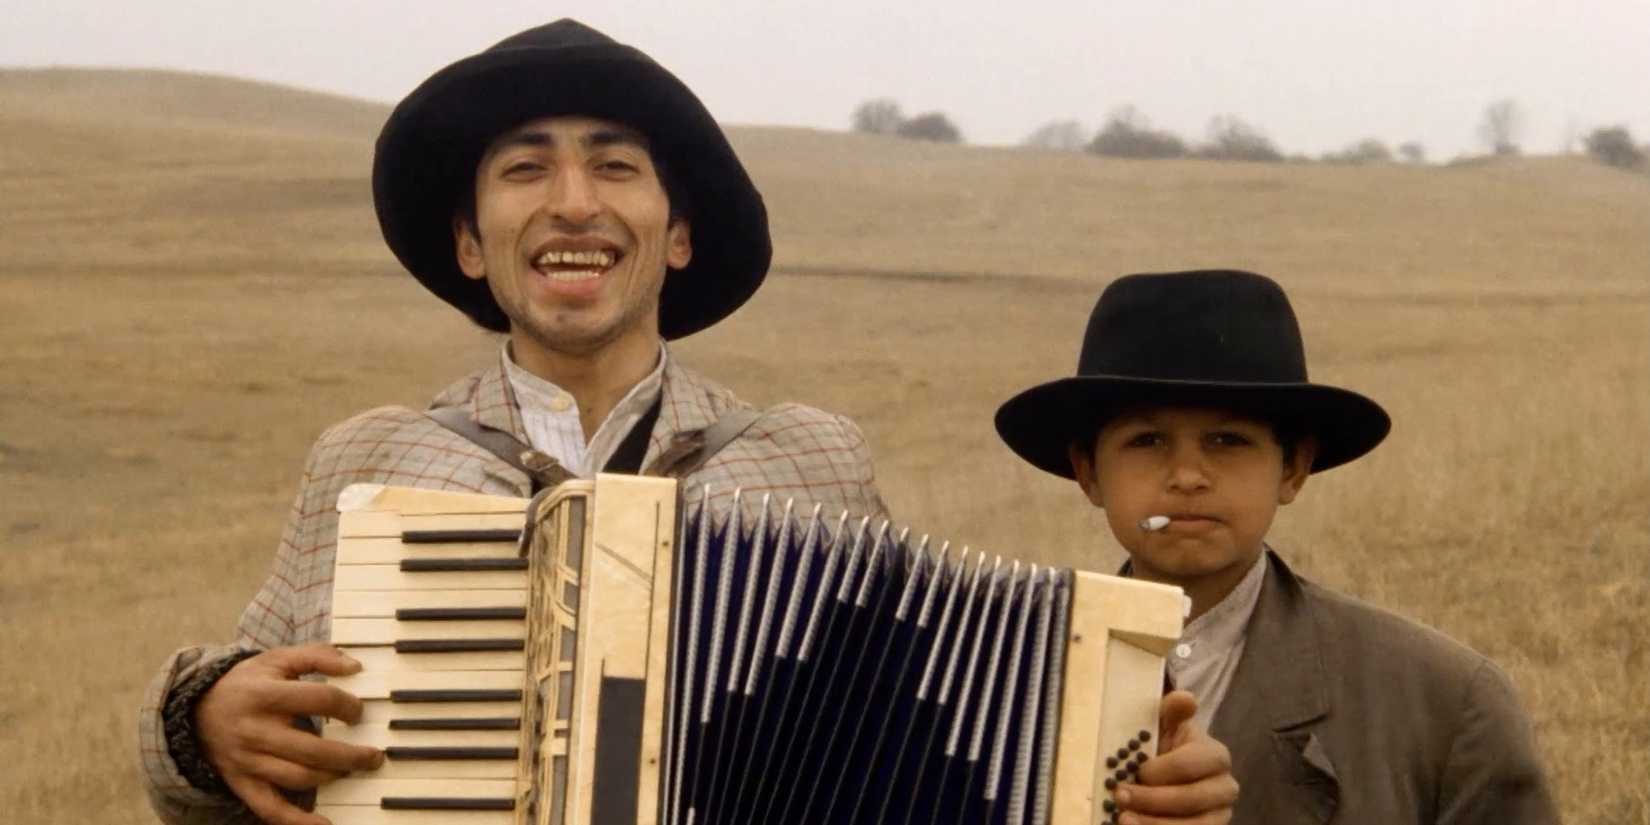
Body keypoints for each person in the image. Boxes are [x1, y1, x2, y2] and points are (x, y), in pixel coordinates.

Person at [137, 20, 1235, 825]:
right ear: (471, 243)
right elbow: (219, 751)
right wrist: (201, 717)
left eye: (616, 165)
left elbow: (923, 739)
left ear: (676, 236)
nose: (574, 201)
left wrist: (1123, 784)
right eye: (526, 168)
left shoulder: (810, 458)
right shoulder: (368, 459)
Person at [994, 269, 1560, 824]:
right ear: (1089, 472)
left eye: (1227, 439)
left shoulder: (1446, 704)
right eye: (1147, 440)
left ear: (1293, 468)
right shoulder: (1003, 684)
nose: (1187, 475)